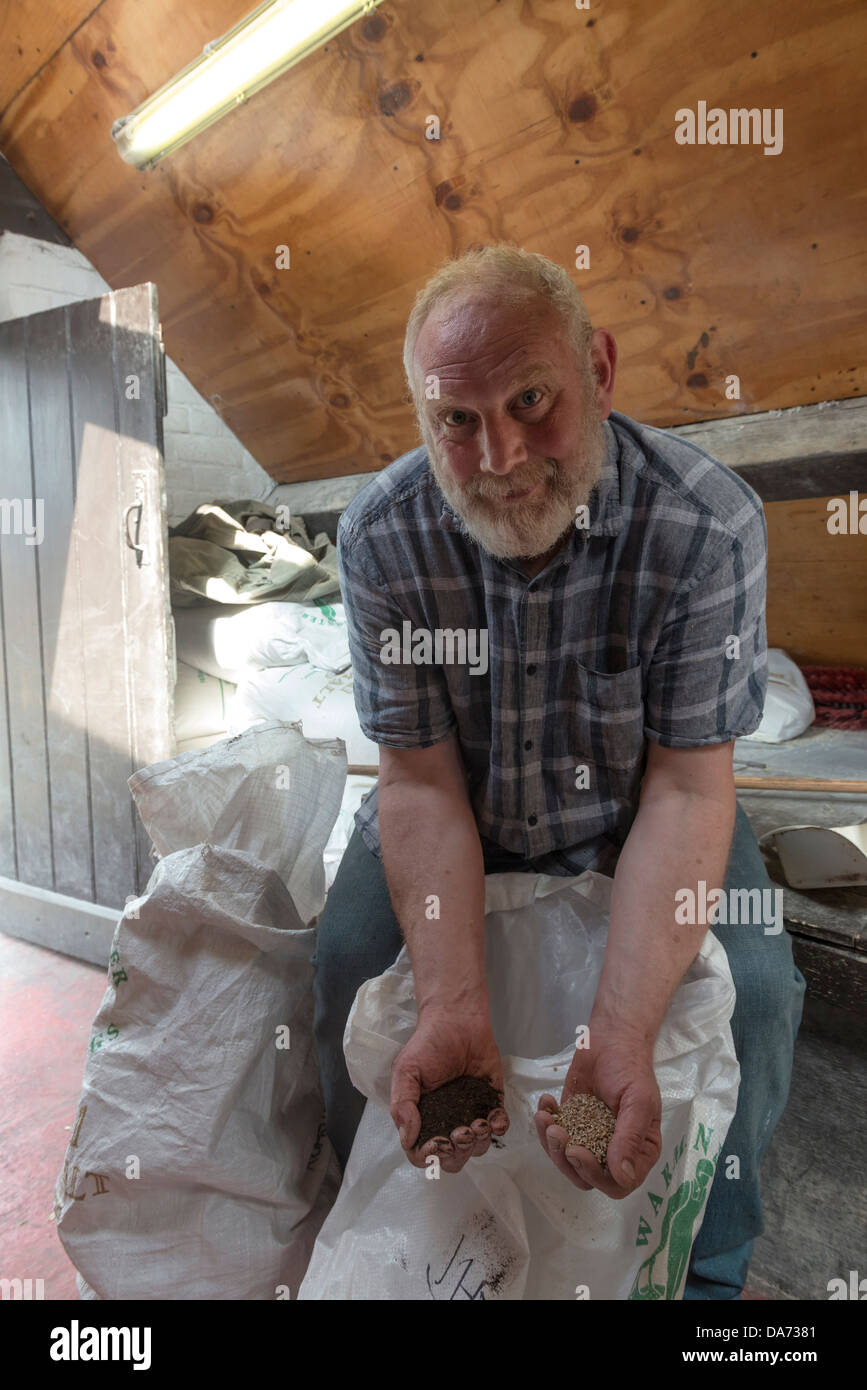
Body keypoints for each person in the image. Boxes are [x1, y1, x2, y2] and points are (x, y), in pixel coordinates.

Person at [312, 243, 805, 1300]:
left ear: (601, 371)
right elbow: (419, 784)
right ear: (422, 419)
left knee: (756, 995)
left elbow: (687, 788)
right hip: (463, 805)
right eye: (457, 420)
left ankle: (701, 1271)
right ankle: (373, 1228)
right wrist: (449, 1001)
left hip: (646, 809)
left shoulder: (706, 526)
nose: (497, 454)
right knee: (347, 959)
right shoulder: (381, 539)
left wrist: (618, 1033)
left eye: (532, 398)